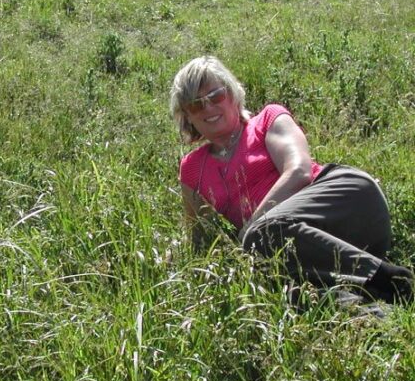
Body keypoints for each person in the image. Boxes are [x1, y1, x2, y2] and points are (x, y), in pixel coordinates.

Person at [170, 55, 413, 305]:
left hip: (347, 201)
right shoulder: (192, 169)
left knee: (261, 238)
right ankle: (369, 311)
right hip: (310, 251)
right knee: (280, 288)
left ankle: (394, 280)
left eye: (215, 96)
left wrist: (251, 230)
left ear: (232, 93)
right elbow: (200, 239)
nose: (208, 107)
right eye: (196, 105)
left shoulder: (267, 119)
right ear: (187, 116)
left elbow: (299, 171)